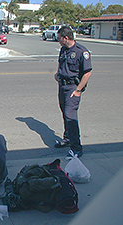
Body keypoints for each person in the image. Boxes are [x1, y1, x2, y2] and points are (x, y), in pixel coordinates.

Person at [54, 26, 92, 157]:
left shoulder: (82, 51)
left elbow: (87, 73)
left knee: (71, 117)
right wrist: (58, 74)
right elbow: (60, 63)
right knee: (65, 113)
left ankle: (76, 148)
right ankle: (68, 138)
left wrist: (78, 90)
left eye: (59, 38)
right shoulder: (63, 49)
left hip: (72, 88)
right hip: (62, 86)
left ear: (66, 38)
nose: (58, 40)